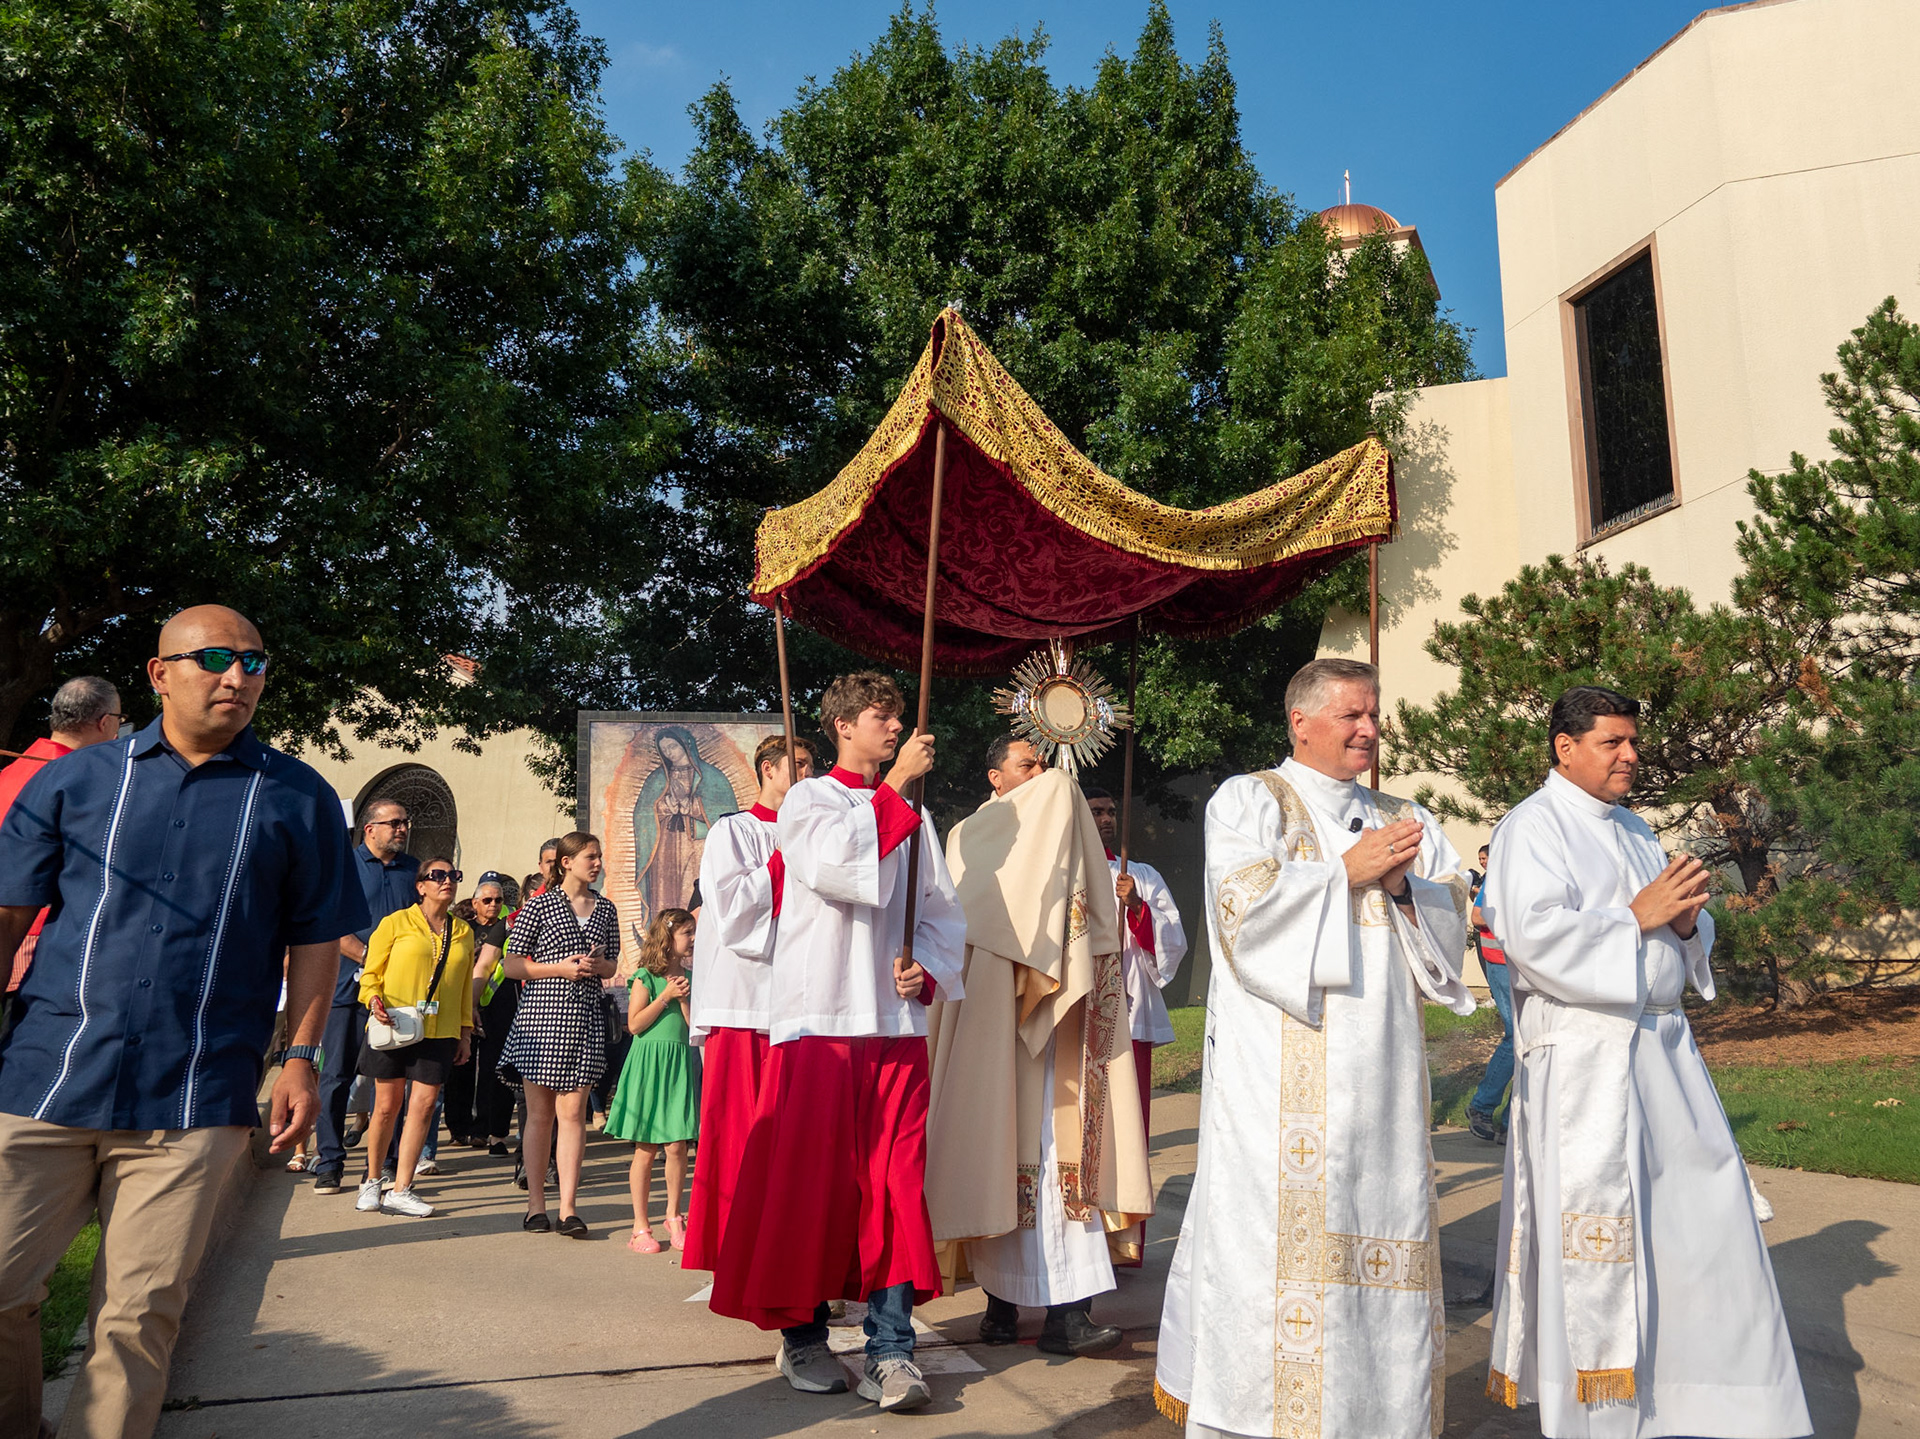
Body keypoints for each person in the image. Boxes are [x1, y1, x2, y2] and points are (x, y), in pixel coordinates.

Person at [0, 605, 364, 1439]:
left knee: (136, 1319)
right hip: (45, 1075)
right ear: (160, 673)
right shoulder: (76, 781)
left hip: (194, 1093)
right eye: (213, 657)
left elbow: (314, 938)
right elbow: (9, 913)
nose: (237, 675)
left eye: (253, 661)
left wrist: (301, 1058)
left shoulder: (297, 795)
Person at [1154, 657, 1475, 1438]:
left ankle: (1377, 1415)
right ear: (1301, 721)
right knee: (1275, 1238)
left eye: (1374, 714)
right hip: (1280, 1079)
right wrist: (1344, 872)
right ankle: (1257, 1415)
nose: (1370, 729)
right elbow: (1240, 917)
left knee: (1379, 1230)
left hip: (1385, 1077)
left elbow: (1450, 922)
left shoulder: (1407, 814)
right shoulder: (1251, 799)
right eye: (1351, 715)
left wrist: (1402, 889)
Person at [1481, 686, 1810, 1436]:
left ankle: (1705, 1407)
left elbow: (1677, 927)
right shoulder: (1530, 828)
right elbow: (1532, 941)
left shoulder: (1634, 827)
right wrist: (1636, 916)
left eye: (1633, 741)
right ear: (1565, 747)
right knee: (1603, 1245)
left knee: (1702, 1230)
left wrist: (1693, 923)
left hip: (1665, 1051)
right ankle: (1600, 1417)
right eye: (1613, 742)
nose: (1632, 755)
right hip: (1589, 1063)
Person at [710, 672, 965, 1415]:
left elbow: (941, 911)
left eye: (897, 717)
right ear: (844, 725)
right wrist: (898, 792)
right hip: (819, 1019)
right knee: (811, 1186)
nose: (896, 728)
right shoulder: (808, 799)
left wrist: (930, 965)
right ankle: (805, 1336)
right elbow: (834, 869)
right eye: (882, 716)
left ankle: (892, 1349)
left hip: (892, 1024)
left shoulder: (916, 812)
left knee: (895, 1184)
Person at [926, 738, 1151, 1357]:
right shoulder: (971, 834)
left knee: (1044, 1157)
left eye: (1043, 763)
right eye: (1026, 765)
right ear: (994, 775)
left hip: (1058, 1030)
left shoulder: (1050, 832)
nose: (1043, 775)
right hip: (998, 1017)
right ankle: (1037, 1314)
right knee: (1021, 1155)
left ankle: (1033, 1312)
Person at [682, 733, 816, 1272]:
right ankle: (738, 1253)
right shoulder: (732, 831)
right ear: (767, 768)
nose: (808, 775)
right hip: (744, 1006)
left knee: (797, 1145)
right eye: (798, 765)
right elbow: (735, 910)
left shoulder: (817, 833)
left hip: (803, 1005)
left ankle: (793, 1253)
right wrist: (789, 854)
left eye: (812, 765)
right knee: (741, 1138)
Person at [1082, 781, 1187, 1249]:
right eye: (1096, 810)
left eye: (1110, 811)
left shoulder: (1139, 874)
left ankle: (1122, 1243)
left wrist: (1137, 906)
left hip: (1128, 1011)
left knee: (1128, 1130)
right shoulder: (1063, 870)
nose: (1106, 818)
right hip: (1077, 1015)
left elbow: (1173, 942)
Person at [499, 831, 619, 1237]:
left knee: (574, 1116)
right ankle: (536, 1205)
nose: (597, 863)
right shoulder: (540, 906)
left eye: (599, 856)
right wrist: (559, 968)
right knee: (540, 1115)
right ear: (566, 862)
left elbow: (612, 965)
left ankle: (568, 1208)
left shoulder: (605, 909)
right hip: (543, 1017)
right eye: (590, 856)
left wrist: (598, 966)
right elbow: (512, 965)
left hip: (584, 1017)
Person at [353, 857, 475, 1218]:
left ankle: (402, 1188)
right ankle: (373, 1180)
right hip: (394, 1023)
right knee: (387, 1107)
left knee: (423, 1107)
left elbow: (466, 985)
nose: (447, 881)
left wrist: (465, 1033)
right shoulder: (395, 923)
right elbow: (370, 973)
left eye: (453, 876)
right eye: (437, 876)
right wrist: (372, 999)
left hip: (441, 1029)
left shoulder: (463, 931)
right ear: (420, 885)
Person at [314, 798, 420, 1194]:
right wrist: (372, 962)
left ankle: (386, 1163)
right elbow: (333, 927)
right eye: (394, 822)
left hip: (397, 997)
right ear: (369, 829)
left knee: (391, 1081)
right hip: (346, 990)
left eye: (405, 822)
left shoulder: (414, 872)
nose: (402, 828)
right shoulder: (345, 866)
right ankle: (329, 1162)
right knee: (336, 1077)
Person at [0, 676, 123, 1009]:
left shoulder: (12, 770)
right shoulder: (83, 782)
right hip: (35, 936)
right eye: (119, 722)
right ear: (104, 722)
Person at [608, 908, 700, 1252]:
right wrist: (665, 997)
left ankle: (675, 1216)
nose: (692, 939)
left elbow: (694, 1028)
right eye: (687, 933)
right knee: (646, 1148)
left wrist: (686, 998)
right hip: (648, 1064)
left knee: (678, 1145)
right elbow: (634, 1024)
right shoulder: (646, 977)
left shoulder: (691, 976)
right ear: (668, 938)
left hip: (678, 1063)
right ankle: (640, 1226)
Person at [630, 727, 737, 933]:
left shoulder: (712, 776)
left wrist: (693, 807)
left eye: (672, 746)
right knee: (665, 891)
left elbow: (726, 813)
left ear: (686, 744)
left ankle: (697, 937)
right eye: (665, 750)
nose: (669, 753)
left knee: (693, 889)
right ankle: (664, 941)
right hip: (665, 846)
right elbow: (642, 812)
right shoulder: (657, 779)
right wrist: (662, 807)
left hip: (696, 845)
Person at [460, 874, 518, 1156]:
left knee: (495, 1072)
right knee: (462, 1068)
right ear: (475, 902)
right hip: (467, 1002)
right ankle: (461, 1128)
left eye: (499, 900)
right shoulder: (463, 928)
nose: (494, 905)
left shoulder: (511, 924)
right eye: (487, 900)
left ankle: (492, 1131)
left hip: (499, 1006)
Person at [1466, 842, 1515, 1144]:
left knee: (1533, 1043)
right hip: (1501, 962)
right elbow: (1478, 916)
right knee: (1518, 1036)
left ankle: (1514, 1122)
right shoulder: (1499, 876)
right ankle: (1482, 1107)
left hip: (1529, 966)